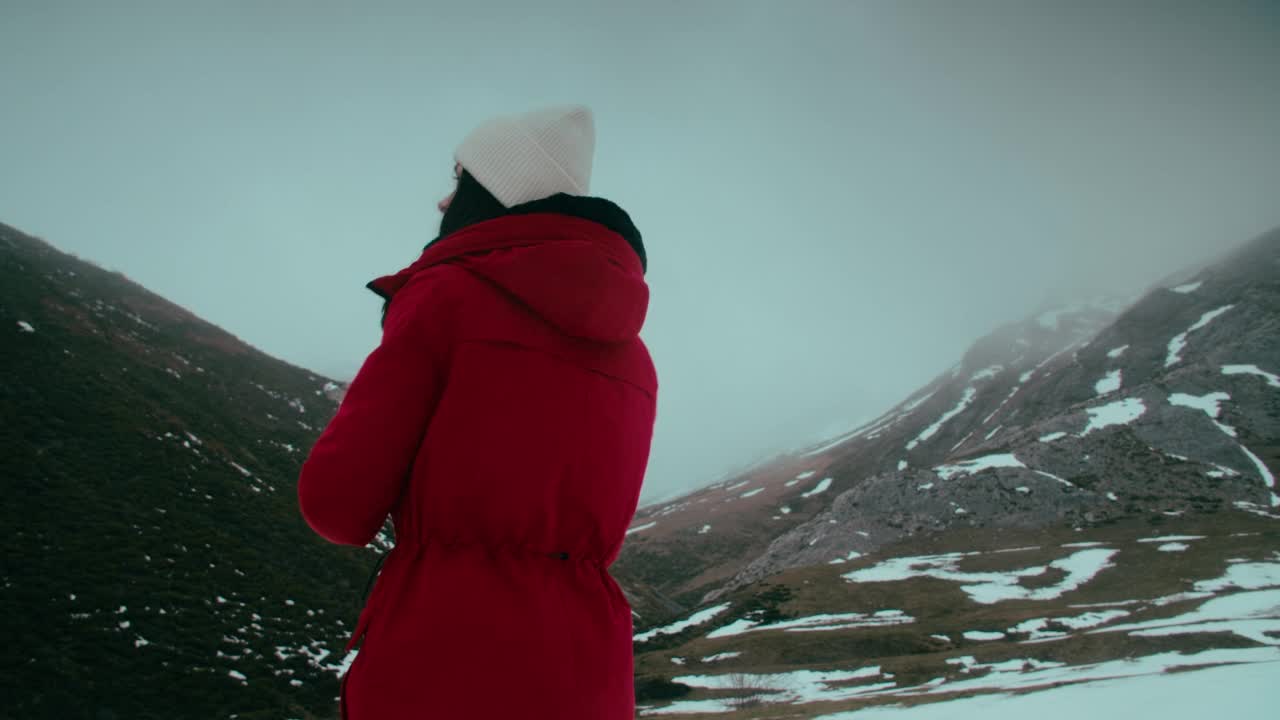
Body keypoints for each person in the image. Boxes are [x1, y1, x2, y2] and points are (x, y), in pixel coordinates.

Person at [297, 105, 657, 719]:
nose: (443, 201)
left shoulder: (443, 300)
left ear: (494, 190)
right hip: (588, 677)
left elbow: (336, 508)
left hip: (442, 663)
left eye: (460, 177)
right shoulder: (634, 355)